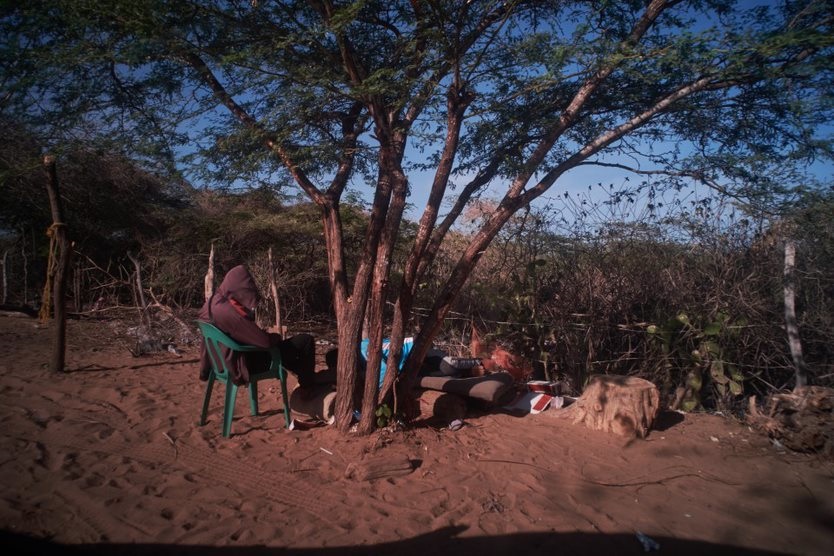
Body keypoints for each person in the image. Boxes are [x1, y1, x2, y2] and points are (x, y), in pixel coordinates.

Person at [198, 264, 316, 392]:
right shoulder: (227, 312)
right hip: (239, 365)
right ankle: (308, 389)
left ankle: (305, 379)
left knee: (289, 355)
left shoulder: (211, 303)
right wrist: (275, 336)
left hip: (219, 363)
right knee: (305, 340)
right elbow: (265, 342)